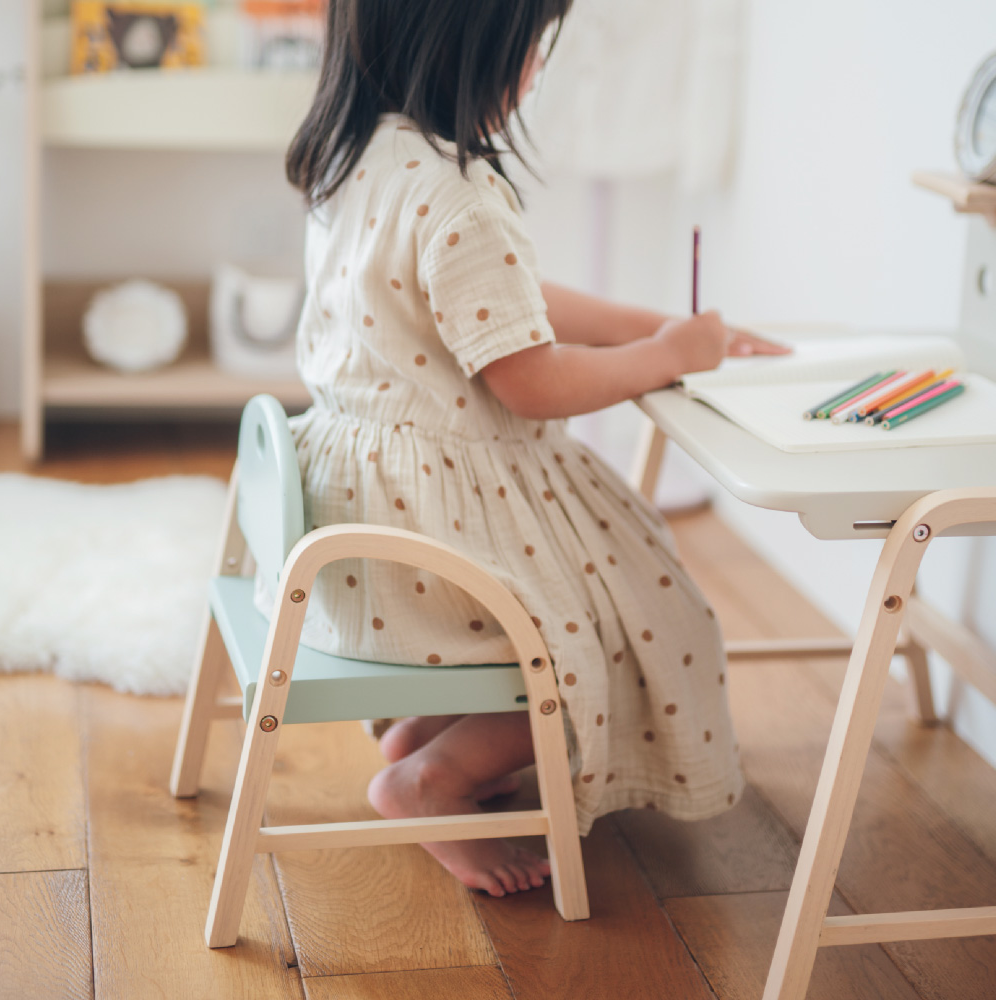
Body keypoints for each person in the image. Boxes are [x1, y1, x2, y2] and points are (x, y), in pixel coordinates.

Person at [270, 0, 788, 899]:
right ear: (467, 48)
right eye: (530, 48)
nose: (537, 70)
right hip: (427, 533)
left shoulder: (362, 155)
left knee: (599, 592)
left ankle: (428, 741)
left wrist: (654, 326)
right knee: (639, 631)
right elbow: (533, 381)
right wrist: (665, 358)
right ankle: (429, 781)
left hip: (356, 511)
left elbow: (498, 299)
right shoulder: (460, 195)